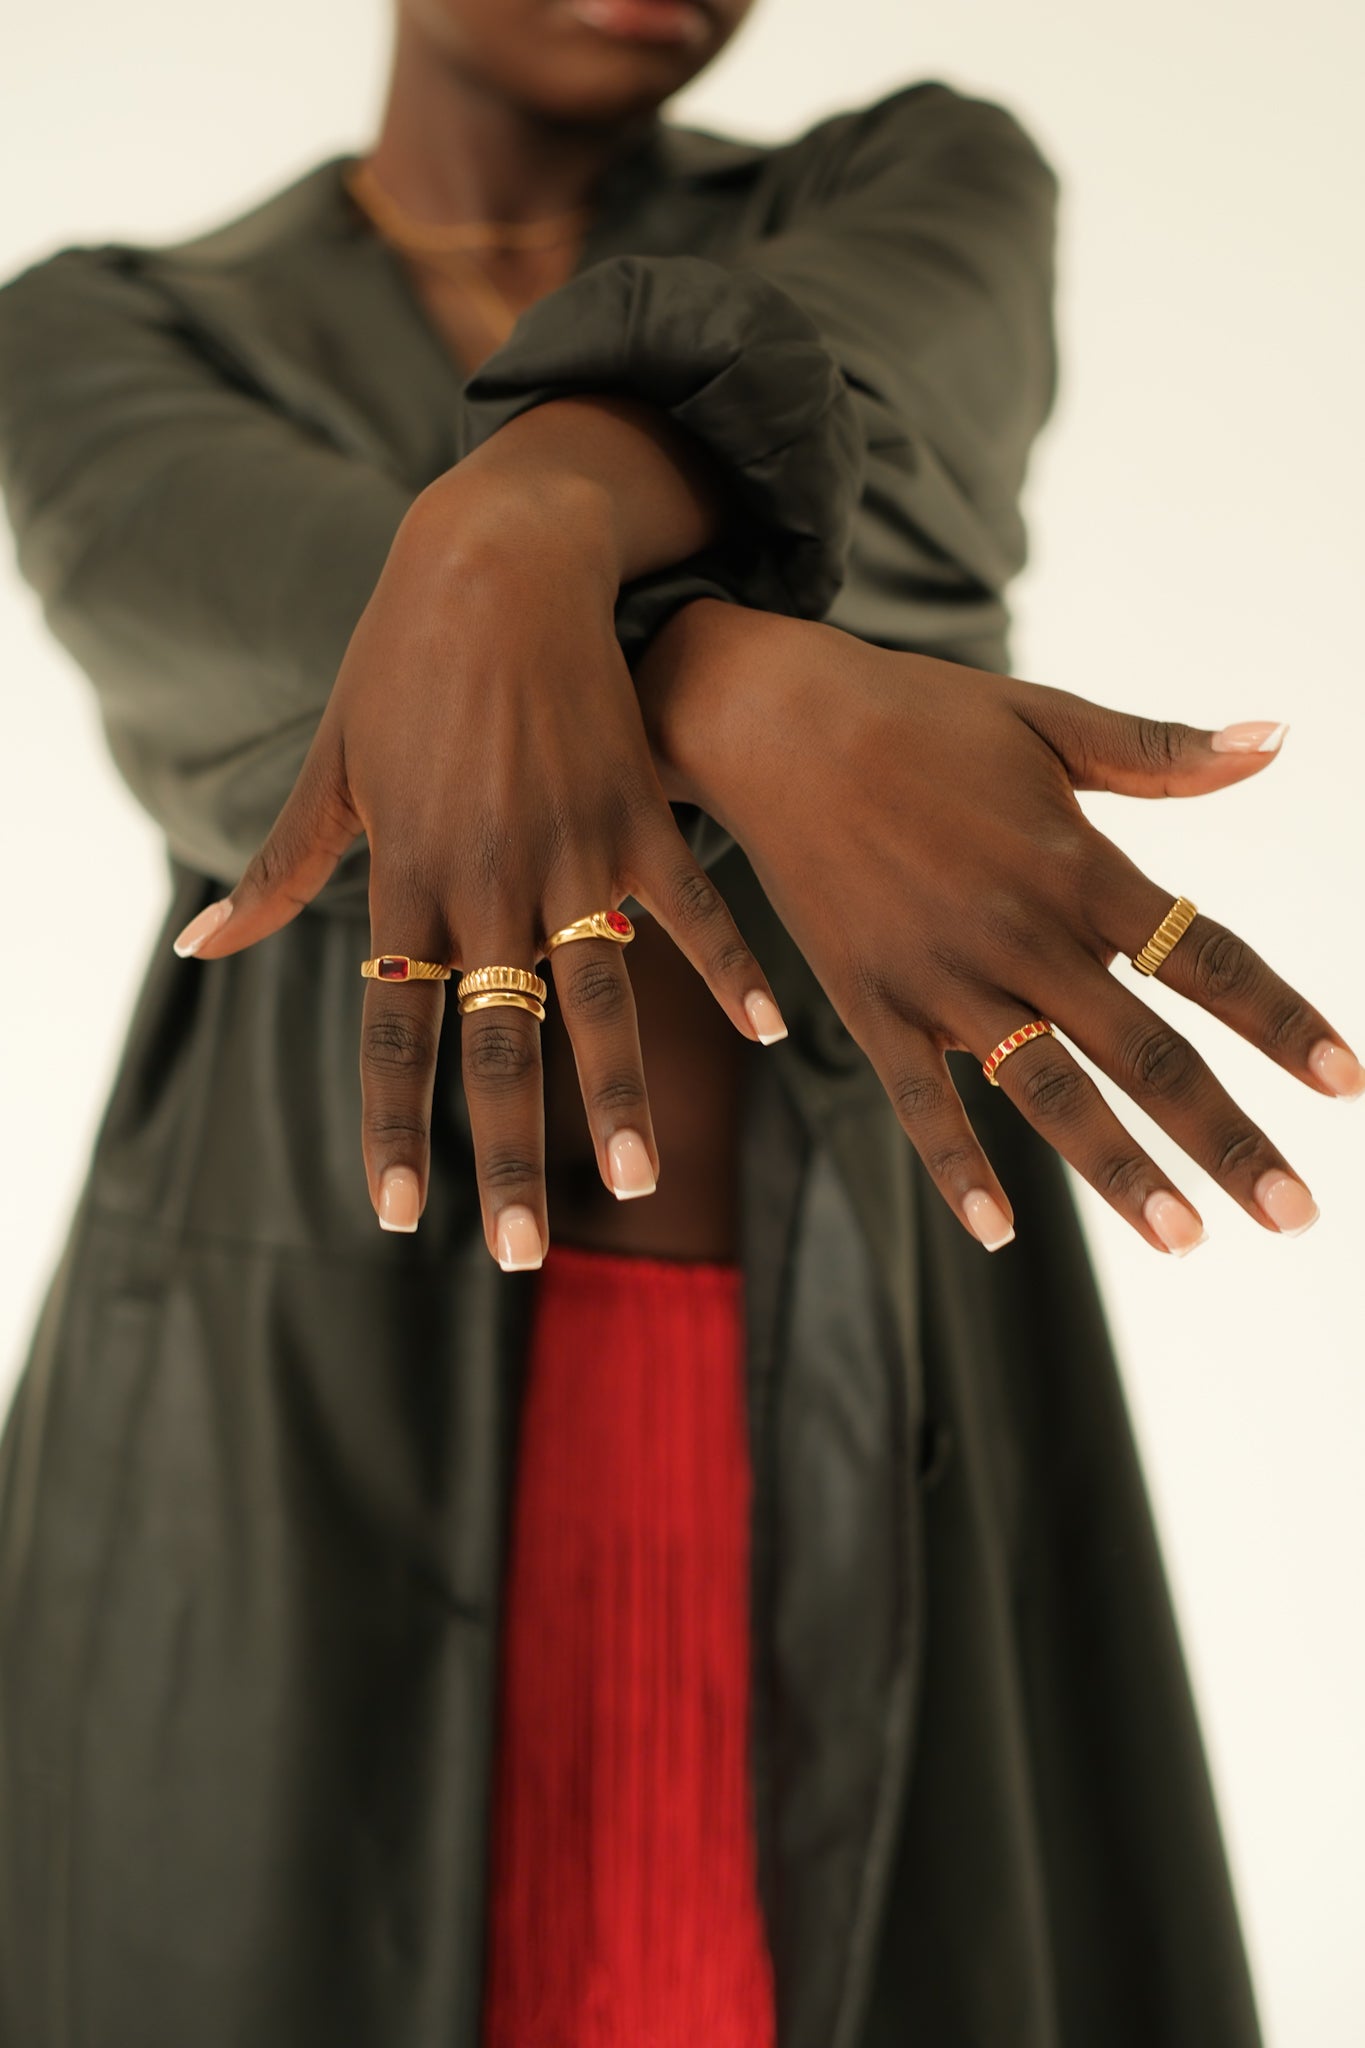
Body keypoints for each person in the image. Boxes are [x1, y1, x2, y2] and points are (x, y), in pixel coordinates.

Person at [0, 0, 1355, 2041]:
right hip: (281, 1451)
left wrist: (521, 532)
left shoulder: (920, 180)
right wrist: (754, 693)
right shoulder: (103, 333)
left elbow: (893, 492)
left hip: (865, 1388)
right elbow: (318, 695)